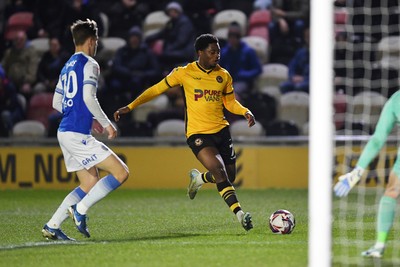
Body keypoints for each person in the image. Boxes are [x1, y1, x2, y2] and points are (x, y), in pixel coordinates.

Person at [114, 33, 255, 231]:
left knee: (228, 174)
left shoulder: (223, 75)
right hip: (198, 133)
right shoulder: (184, 72)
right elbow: (156, 89)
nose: (217, 56)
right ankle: (240, 214)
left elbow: (229, 102)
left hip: (221, 131)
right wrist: (130, 106)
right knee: (221, 172)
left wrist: (245, 111)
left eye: (218, 52)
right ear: (200, 53)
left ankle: (199, 178)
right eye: (212, 52)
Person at [41, 19, 129, 241]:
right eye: (96, 41)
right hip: (77, 134)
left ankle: (52, 226)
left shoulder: (67, 65)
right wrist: (106, 123)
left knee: (89, 182)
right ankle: (80, 210)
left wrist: (82, 115)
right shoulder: (90, 64)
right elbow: (89, 96)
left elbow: (56, 102)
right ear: (92, 41)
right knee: (121, 172)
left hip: (65, 132)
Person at [334, 90, 400, 258]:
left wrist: (357, 171)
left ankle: (379, 246)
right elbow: (378, 139)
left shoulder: (396, 99)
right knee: (391, 192)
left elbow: (378, 139)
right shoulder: (395, 100)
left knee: (391, 193)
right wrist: (357, 171)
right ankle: (378, 245)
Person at [145, 1, 196, 74]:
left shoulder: (184, 23)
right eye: (170, 11)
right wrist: (148, 39)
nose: (172, 13)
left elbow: (181, 41)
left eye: (174, 11)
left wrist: (168, 49)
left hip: (183, 52)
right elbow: (162, 34)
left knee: (160, 57)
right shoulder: (172, 23)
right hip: (174, 50)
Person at [219, 22, 262, 100]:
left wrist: (244, 74)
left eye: (235, 36)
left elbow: (257, 70)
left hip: (242, 82)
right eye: (230, 35)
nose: (232, 38)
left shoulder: (248, 51)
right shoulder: (224, 52)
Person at [279, 26, 310, 94]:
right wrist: (292, 77)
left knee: (299, 87)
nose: (310, 40)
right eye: (308, 38)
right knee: (283, 86)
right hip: (300, 80)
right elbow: (292, 66)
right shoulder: (300, 52)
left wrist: (304, 78)